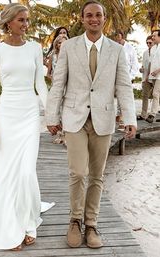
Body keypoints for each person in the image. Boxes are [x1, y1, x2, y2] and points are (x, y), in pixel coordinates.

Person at [46, 0, 137, 249]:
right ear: (82, 19)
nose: (94, 19)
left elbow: (124, 87)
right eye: (89, 15)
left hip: (104, 120)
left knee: (97, 176)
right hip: (75, 118)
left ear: (104, 19)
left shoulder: (116, 50)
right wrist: (51, 116)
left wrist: (129, 118)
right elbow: (58, 84)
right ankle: (74, 221)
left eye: (98, 15)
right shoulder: (69, 47)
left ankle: (92, 223)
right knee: (78, 172)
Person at [0, 3, 50, 251]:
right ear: (8, 22)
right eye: (21, 20)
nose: (25, 24)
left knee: (26, 171)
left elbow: (40, 85)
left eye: (27, 20)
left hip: (30, 113)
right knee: (7, 172)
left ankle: (29, 223)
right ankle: (11, 227)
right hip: (7, 114)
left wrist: (51, 113)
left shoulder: (35, 48)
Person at [115, 30, 139, 129]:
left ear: (122, 36)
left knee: (125, 99)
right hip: (116, 77)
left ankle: (124, 121)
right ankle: (119, 120)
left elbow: (135, 64)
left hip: (127, 77)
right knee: (118, 100)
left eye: (118, 37)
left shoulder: (130, 48)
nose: (117, 39)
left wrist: (131, 76)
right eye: (116, 37)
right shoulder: (113, 47)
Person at [137, 35, 154, 120]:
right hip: (145, 78)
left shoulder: (157, 52)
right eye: (147, 43)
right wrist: (141, 69)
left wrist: (149, 75)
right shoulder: (145, 53)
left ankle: (154, 114)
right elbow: (144, 65)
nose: (148, 44)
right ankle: (143, 114)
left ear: (154, 42)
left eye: (150, 42)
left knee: (157, 95)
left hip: (155, 77)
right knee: (145, 96)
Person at [145, 29, 160, 123]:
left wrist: (157, 71)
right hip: (154, 76)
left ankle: (152, 115)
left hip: (159, 75)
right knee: (158, 95)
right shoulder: (154, 48)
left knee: (155, 94)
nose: (153, 37)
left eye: (154, 36)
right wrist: (148, 75)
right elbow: (151, 62)